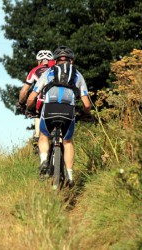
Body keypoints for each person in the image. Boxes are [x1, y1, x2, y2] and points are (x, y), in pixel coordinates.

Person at [26, 45, 91, 186]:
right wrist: (87, 114)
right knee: (67, 142)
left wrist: (29, 108)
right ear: (71, 61)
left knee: (43, 136)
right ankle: (70, 175)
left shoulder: (48, 73)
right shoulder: (78, 75)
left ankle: (43, 161)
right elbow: (86, 104)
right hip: (68, 112)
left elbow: (32, 97)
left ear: (55, 61)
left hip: (49, 109)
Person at [17, 50, 55, 144]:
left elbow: (24, 90)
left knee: (35, 110)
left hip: (41, 102)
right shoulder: (57, 69)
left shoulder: (35, 70)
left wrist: (21, 103)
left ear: (39, 61)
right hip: (58, 100)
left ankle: (37, 135)